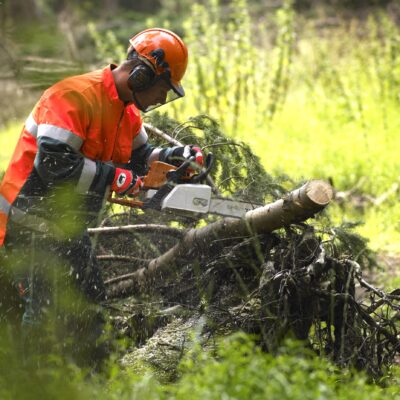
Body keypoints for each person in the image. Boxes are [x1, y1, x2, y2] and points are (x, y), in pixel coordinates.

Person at [0, 27, 203, 366]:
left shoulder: (126, 111)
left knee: (90, 307)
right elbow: (53, 163)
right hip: (28, 224)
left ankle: (94, 380)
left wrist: (176, 157)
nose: (159, 100)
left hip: (66, 227)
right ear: (141, 74)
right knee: (43, 315)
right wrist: (117, 177)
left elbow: (140, 158)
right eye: (161, 90)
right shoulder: (73, 96)